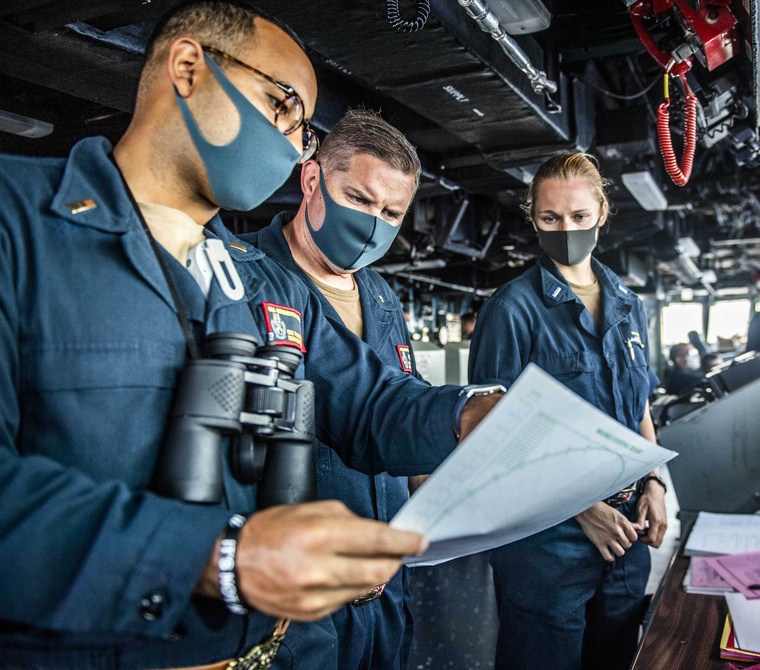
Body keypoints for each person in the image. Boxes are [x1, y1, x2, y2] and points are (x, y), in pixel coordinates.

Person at [0, 3, 500, 668]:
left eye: (303, 131)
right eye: (281, 105)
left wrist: (474, 414)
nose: (294, 144)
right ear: (187, 68)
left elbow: (368, 399)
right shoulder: (19, 221)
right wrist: (213, 557)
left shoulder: (252, 278)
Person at [239, 108, 423, 670]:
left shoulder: (383, 296)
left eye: (392, 212)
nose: (374, 224)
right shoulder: (244, 275)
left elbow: (400, 402)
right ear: (312, 179)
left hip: (385, 579)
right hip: (294, 591)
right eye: (361, 199)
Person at [468, 152, 668, 670]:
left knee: (618, 657)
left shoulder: (627, 303)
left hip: (627, 532)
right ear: (532, 217)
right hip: (547, 542)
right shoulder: (511, 310)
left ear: (602, 212)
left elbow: (638, 401)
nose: (566, 230)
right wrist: (582, 507)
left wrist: (656, 483)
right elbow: (493, 436)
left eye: (579, 217)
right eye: (550, 218)